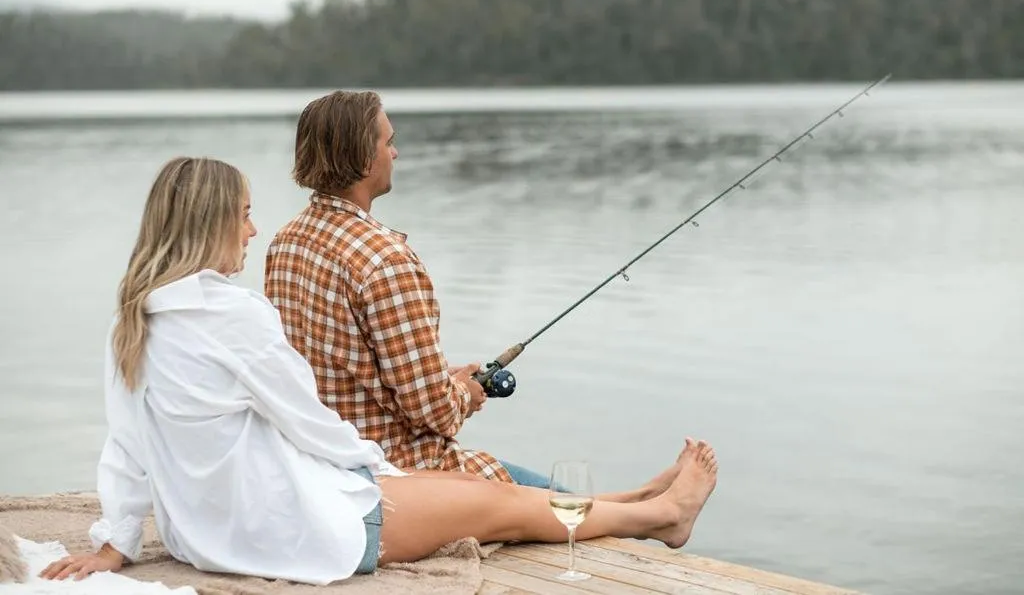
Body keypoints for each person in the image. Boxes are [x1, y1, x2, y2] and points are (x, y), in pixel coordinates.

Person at [40, 156, 718, 584]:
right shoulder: (231, 317)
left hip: (211, 534)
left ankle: (640, 500)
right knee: (506, 507)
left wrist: (117, 542)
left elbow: (125, 447)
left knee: (491, 497)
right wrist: (383, 472)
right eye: (244, 215)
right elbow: (308, 424)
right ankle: (662, 512)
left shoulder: (133, 319)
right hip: (301, 527)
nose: (252, 231)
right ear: (210, 222)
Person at [264, 91, 672, 494]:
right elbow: (435, 412)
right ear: (362, 157)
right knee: (563, 500)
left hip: (323, 461)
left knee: (567, 498)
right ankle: (653, 511)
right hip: (400, 472)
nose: (396, 153)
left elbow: (342, 367)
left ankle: (638, 502)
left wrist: (442, 378)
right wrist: (466, 393)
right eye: (388, 142)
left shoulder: (286, 242)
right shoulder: (385, 260)